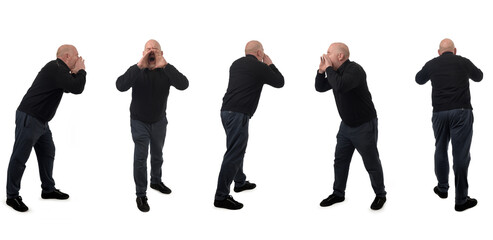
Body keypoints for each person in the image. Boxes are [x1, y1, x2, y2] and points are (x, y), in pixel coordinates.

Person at [6, 45, 86, 212]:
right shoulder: (55, 67)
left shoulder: (58, 70)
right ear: (67, 57)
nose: (79, 58)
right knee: (19, 158)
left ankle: (48, 189)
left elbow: (69, 87)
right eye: (77, 56)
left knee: (48, 151)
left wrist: (75, 74)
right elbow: (77, 88)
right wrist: (81, 71)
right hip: (30, 117)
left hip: (41, 121)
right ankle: (12, 196)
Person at [116, 39, 189, 212]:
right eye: (148, 49)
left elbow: (184, 84)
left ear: (161, 53)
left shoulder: (166, 71)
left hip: (159, 121)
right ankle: (141, 194)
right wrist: (138, 65)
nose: (151, 52)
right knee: (141, 158)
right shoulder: (137, 71)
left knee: (157, 154)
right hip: (139, 121)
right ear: (143, 53)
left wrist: (166, 65)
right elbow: (120, 86)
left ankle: (156, 181)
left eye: (155, 49)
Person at [315, 42, 387, 210]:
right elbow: (319, 87)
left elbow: (340, 86)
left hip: (364, 125)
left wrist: (329, 70)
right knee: (340, 161)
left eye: (329, 53)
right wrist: (321, 71)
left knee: (371, 162)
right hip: (346, 126)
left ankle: (380, 195)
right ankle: (338, 193)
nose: (326, 55)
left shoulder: (355, 70)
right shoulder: (335, 72)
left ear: (340, 56)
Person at [214, 40, 284, 210]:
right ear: (259, 53)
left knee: (236, 148)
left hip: (226, 112)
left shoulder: (236, 64)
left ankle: (239, 182)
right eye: (263, 52)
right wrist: (270, 63)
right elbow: (279, 82)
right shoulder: (259, 67)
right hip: (238, 114)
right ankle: (221, 196)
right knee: (234, 153)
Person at [416, 38, 483, 212]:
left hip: (439, 113)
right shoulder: (463, 61)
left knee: (440, 148)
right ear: (454, 50)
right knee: (460, 154)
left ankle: (442, 188)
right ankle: (461, 200)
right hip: (461, 112)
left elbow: (418, 79)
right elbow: (479, 76)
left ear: (439, 52)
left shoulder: (432, 63)